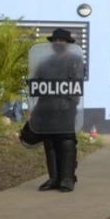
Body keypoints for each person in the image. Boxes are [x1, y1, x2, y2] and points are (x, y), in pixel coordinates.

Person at [26, 28, 84, 192]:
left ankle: (67, 178)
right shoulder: (45, 62)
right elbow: (36, 82)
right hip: (46, 108)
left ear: (68, 43)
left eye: (61, 40)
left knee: (66, 141)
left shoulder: (75, 60)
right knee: (49, 141)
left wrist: (70, 102)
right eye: (55, 40)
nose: (58, 43)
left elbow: (77, 84)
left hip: (66, 109)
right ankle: (54, 178)